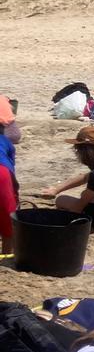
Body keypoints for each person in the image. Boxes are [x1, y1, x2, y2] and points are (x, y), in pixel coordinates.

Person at [0, 95, 16, 254]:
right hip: (2, 173)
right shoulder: (6, 143)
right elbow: (11, 175)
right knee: (7, 219)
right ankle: (6, 253)